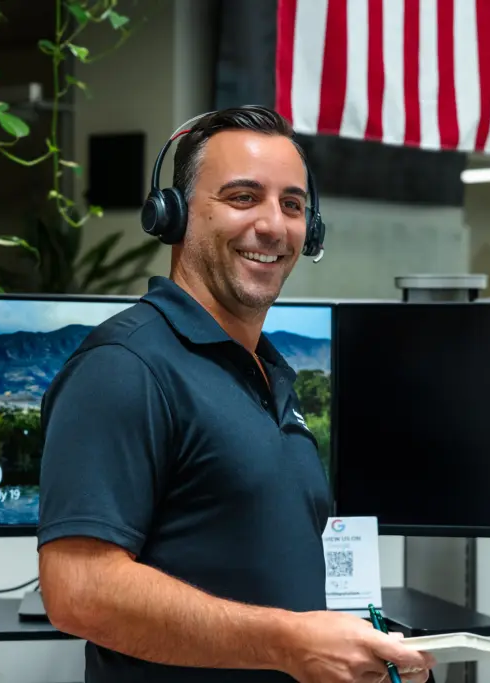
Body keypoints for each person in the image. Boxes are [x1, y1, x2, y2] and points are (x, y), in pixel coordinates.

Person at [35, 105, 435, 683]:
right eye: (243, 197)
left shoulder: (273, 374)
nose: (273, 224)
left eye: (292, 205)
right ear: (173, 216)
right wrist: (286, 643)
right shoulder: (126, 367)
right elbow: (78, 591)